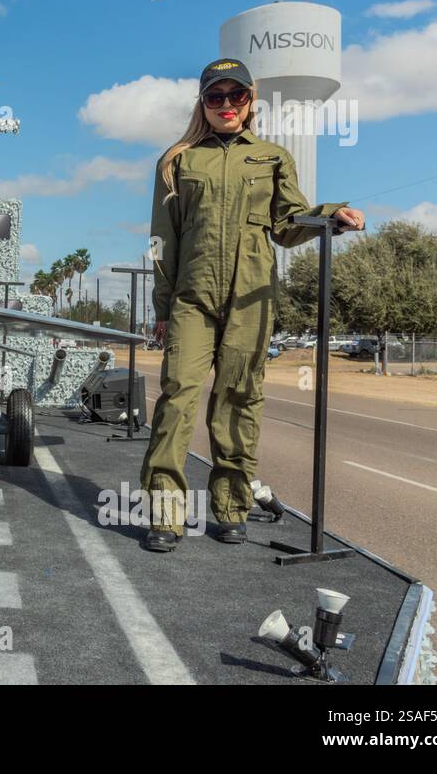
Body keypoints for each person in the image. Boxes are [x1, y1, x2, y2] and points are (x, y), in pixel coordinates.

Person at [140, 58, 365, 552]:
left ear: (249, 102)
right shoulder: (178, 161)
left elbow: (288, 224)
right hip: (192, 299)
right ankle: (164, 514)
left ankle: (231, 508)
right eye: (215, 96)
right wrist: (163, 309)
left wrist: (332, 216)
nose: (226, 105)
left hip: (251, 300)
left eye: (236, 95)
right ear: (202, 103)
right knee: (177, 399)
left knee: (239, 400)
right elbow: (162, 239)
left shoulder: (272, 158)